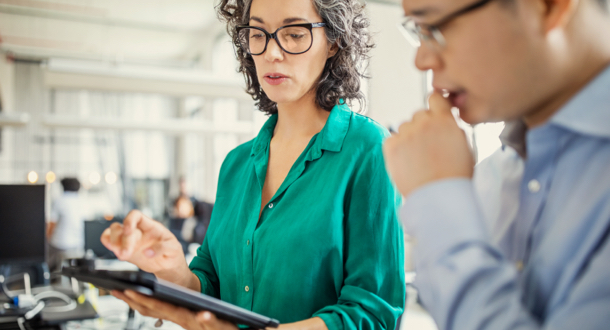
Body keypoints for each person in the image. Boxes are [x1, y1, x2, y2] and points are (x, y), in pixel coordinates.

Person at [101, 0, 406, 329]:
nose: (272, 53)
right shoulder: (236, 165)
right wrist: (172, 267)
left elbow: (374, 314)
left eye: (293, 33)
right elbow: (212, 286)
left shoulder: (369, 150)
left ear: (333, 41)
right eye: (258, 34)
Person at [383, 0, 610, 329]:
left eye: (435, 26)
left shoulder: (454, 187)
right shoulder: (495, 174)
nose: (422, 59)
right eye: (419, 31)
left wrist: (438, 201)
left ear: (547, 7)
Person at [47, 178, 86, 272]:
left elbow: (52, 224)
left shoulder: (59, 200)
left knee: (45, 257)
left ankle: (48, 277)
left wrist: (46, 238)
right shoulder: (83, 202)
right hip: (78, 244)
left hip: (60, 244)